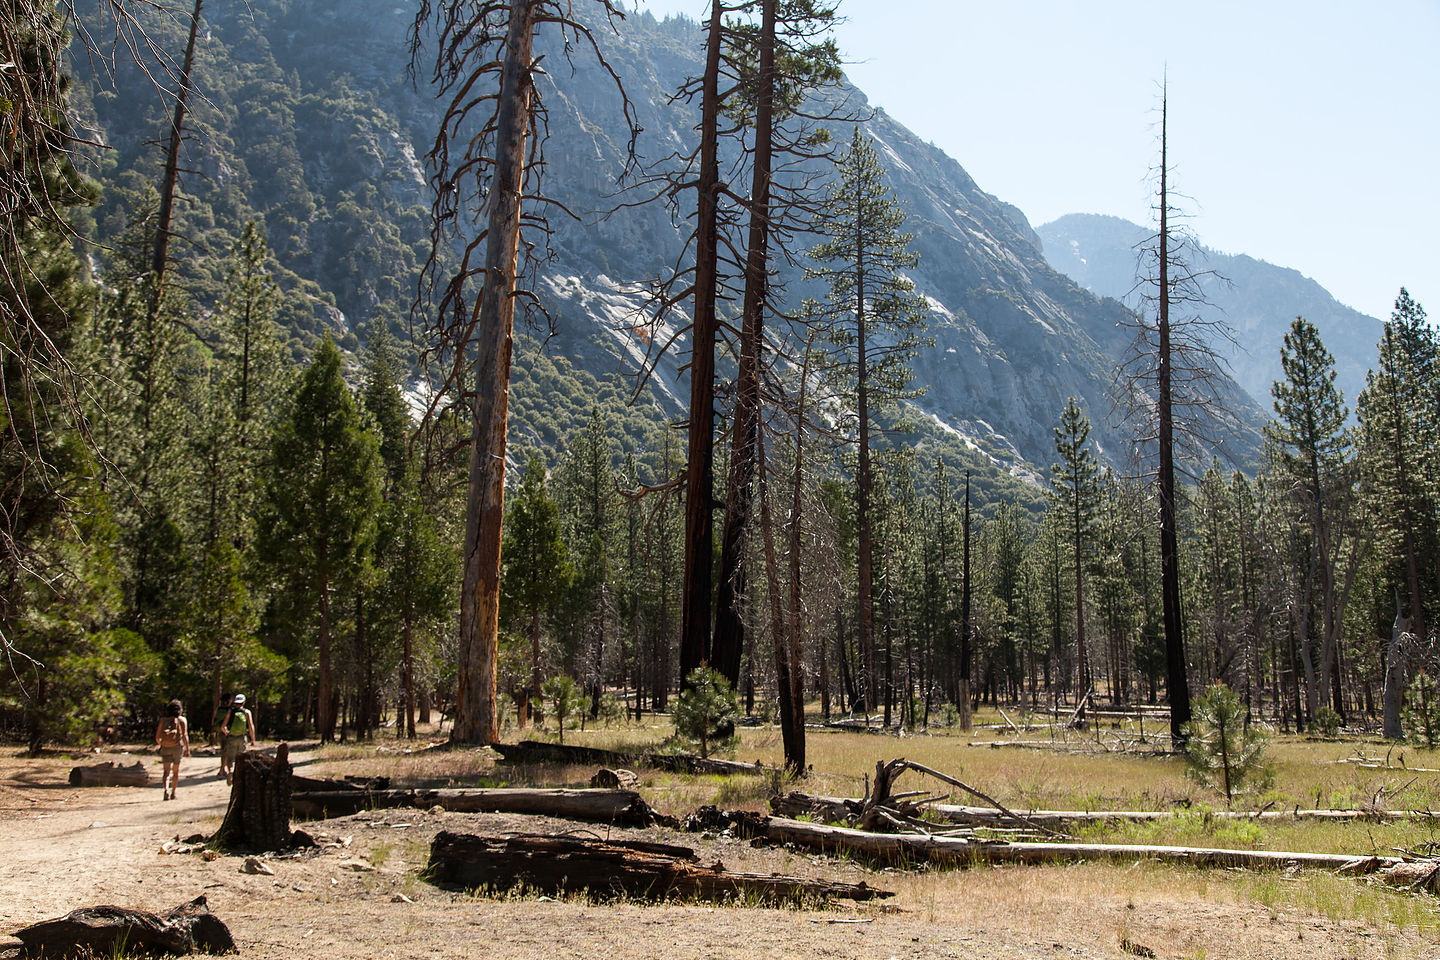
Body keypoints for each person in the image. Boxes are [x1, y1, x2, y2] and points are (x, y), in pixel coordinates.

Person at [154, 699, 190, 801]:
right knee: (175, 771)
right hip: (177, 748)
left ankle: (166, 790)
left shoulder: (163, 721)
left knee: (166, 771)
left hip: (165, 747)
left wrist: (162, 744)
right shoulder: (182, 720)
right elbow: (185, 736)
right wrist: (187, 749)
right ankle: (173, 792)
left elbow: (157, 737)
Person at [219, 694, 256, 785]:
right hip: (242, 737)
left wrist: (227, 733)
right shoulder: (246, 712)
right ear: (243, 702)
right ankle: (240, 776)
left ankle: (231, 771)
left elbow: (223, 727)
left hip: (232, 737)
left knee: (230, 758)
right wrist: (252, 739)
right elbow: (251, 726)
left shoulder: (230, 711)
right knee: (242, 757)